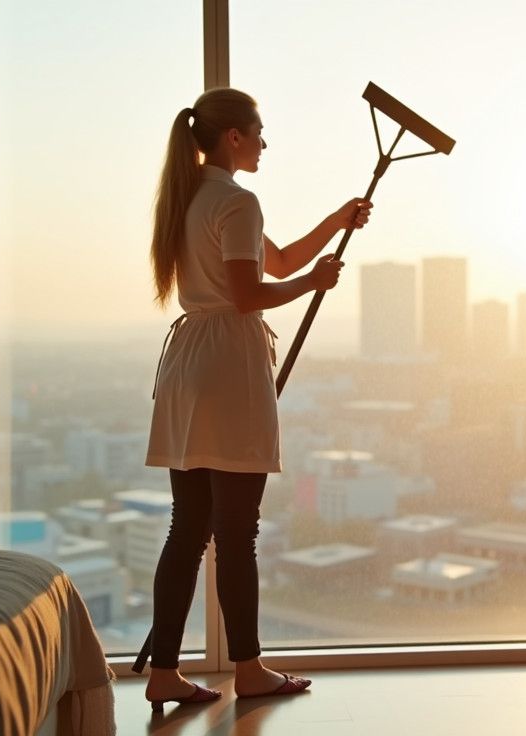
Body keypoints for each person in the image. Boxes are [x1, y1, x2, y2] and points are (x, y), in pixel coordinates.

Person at [141, 87, 372, 708]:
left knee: (187, 527)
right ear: (234, 137)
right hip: (228, 369)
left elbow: (275, 258)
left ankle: (164, 672)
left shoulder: (192, 199)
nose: (266, 143)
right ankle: (248, 669)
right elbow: (251, 293)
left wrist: (335, 222)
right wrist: (314, 283)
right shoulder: (237, 201)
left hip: (189, 364)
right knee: (237, 530)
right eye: (259, 132)